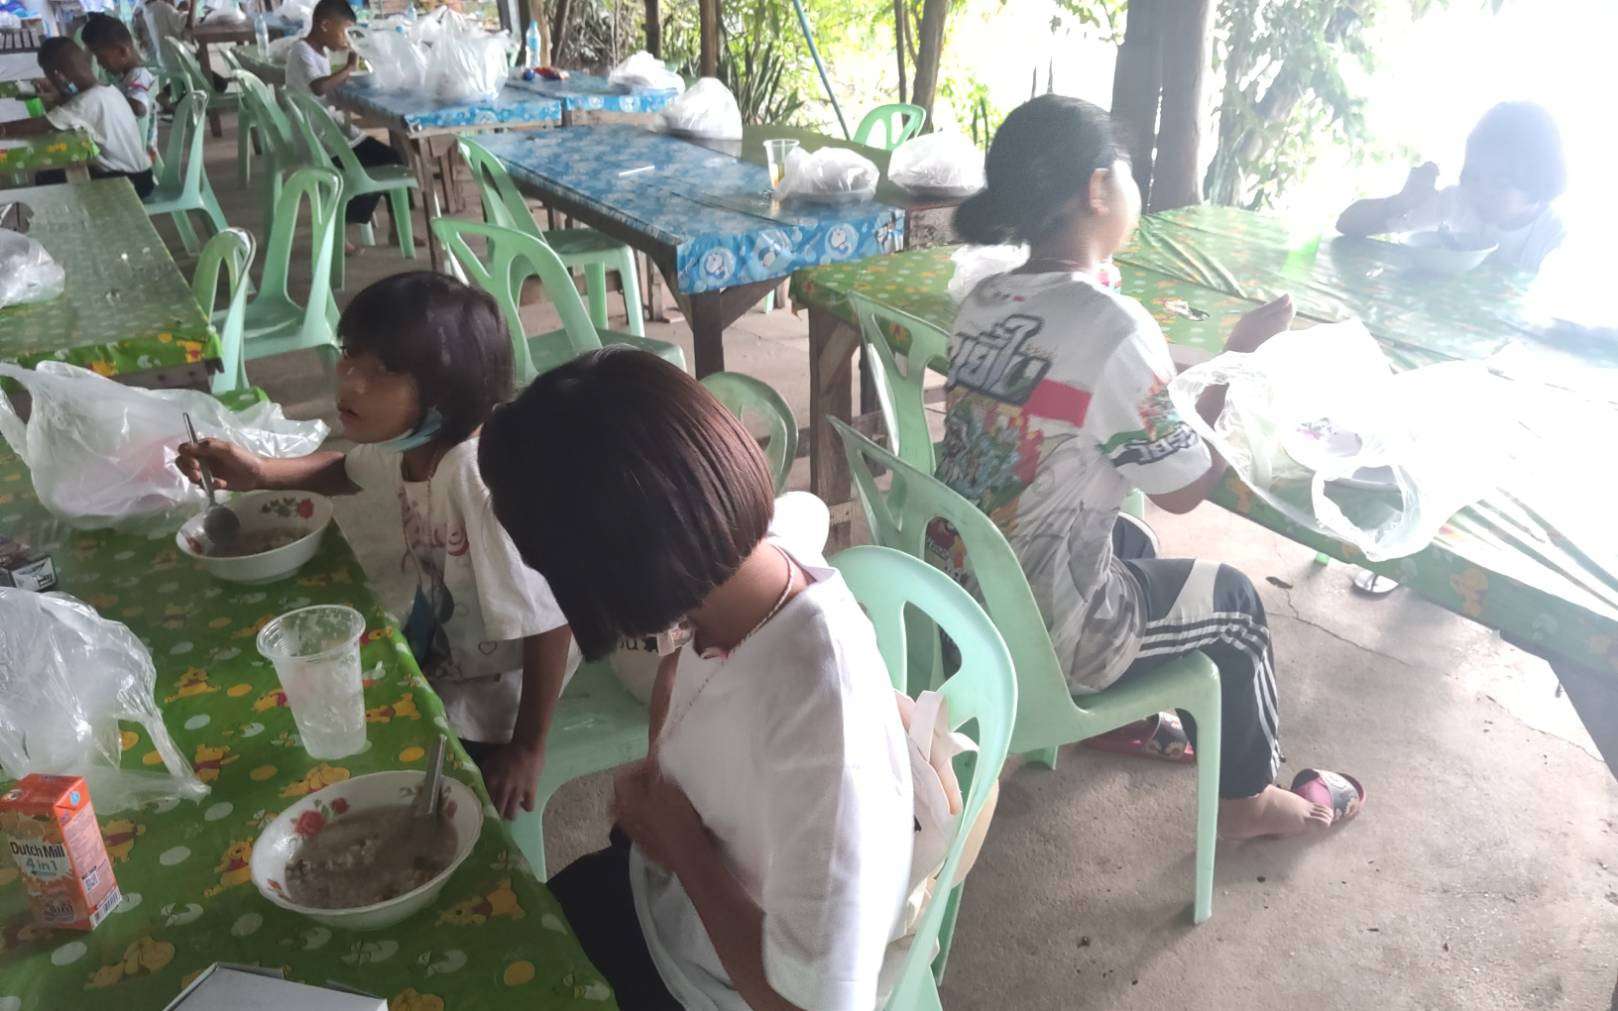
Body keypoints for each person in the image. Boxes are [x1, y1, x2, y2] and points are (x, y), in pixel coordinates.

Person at [937, 94, 1366, 840]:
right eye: (1129, 172)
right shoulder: (1113, 326)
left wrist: (1176, 372)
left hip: (957, 602)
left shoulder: (985, 297)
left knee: (1130, 542)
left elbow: (1078, 385)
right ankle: (1247, 802)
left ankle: (1122, 716)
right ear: (1098, 188)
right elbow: (1185, 486)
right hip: (1042, 632)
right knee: (1235, 602)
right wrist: (1239, 359)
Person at [479, 349, 914, 1011]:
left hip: (711, 982)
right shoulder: (745, 561)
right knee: (488, 943)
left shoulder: (823, 717)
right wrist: (662, 772)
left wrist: (679, 837)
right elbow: (682, 663)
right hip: (662, 890)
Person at [175, 273, 577, 821]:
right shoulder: (411, 442)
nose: (350, 382)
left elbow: (551, 621)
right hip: (451, 640)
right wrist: (260, 473)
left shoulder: (476, 479)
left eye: (383, 370)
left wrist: (528, 747)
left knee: (427, 793)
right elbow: (345, 470)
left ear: (447, 393)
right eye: (350, 355)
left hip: (508, 678)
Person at [1336, 101, 1567, 274]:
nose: (1482, 192)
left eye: (1501, 183)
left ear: (1538, 183)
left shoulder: (1554, 235)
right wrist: (1401, 202)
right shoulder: (1458, 202)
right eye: (1474, 177)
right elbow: (1347, 224)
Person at [284, 0, 409, 252]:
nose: (347, 39)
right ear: (325, 25)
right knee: (391, 161)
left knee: (389, 158)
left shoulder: (318, 52)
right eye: (345, 31)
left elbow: (324, 86)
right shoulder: (301, 51)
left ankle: (393, 230)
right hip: (319, 138)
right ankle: (340, 223)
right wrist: (349, 68)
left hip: (325, 131)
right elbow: (318, 86)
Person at [0, 38, 154, 197]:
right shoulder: (107, 90)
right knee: (58, 172)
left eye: (51, 79)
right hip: (142, 173)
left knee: (48, 179)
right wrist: (56, 95)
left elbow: (41, 125)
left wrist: (3, 129)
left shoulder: (85, 102)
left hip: (129, 183)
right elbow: (74, 104)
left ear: (59, 76)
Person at [79, 14, 159, 163]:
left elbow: (139, 108)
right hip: (129, 147)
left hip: (138, 154)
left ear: (122, 51)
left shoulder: (139, 76)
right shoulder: (126, 76)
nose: (99, 63)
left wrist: (107, 99)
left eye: (100, 56)